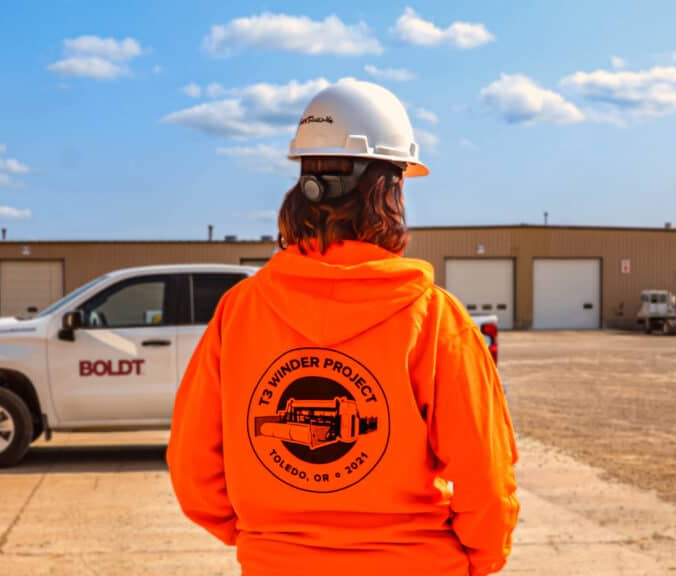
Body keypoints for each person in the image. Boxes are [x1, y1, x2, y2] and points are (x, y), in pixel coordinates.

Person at [167, 79, 519, 576]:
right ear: (390, 189)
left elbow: (192, 468)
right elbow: (485, 473)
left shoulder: (239, 311)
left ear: (304, 186)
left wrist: (269, 540)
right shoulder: (434, 319)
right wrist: (480, 560)